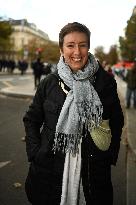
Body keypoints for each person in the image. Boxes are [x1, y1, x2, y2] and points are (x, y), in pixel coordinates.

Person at [23, 22, 124, 205]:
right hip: (49, 170)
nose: (77, 52)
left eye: (82, 45)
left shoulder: (105, 82)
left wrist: (109, 155)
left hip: (92, 174)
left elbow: (117, 121)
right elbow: (31, 119)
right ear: (61, 49)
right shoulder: (49, 82)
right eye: (70, 45)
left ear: (88, 47)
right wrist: (35, 152)